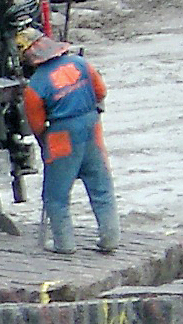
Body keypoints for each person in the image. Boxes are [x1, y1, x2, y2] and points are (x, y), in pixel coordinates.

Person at [20, 33, 118, 255]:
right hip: (92, 127)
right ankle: (110, 238)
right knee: (101, 188)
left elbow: (36, 124)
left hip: (61, 136)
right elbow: (101, 92)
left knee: (56, 196)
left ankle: (64, 245)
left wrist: (46, 144)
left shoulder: (35, 86)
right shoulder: (81, 64)